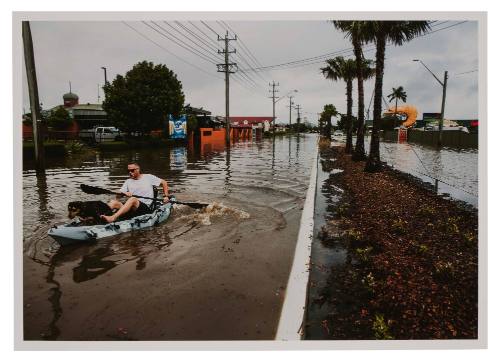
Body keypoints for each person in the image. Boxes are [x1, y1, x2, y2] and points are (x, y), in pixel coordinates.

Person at [101, 162, 169, 223]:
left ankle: (113, 218)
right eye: (128, 171)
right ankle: (100, 216)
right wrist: (123, 193)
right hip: (132, 208)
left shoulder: (148, 177)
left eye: (132, 170)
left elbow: (164, 183)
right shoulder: (128, 181)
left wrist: (166, 196)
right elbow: (117, 197)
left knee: (132, 199)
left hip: (146, 208)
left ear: (138, 169)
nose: (130, 172)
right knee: (114, 202)